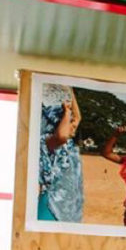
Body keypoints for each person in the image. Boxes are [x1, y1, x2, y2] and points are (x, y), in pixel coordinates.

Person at [38, 83, 83, 222]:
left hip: (67, 204)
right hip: (52, 205)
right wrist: (67, 112)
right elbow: (61, 136)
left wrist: (70, 88)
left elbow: (78, 118)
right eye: (69, 123)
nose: (74, 126)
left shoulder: (66, 144)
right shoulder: (47, 142)